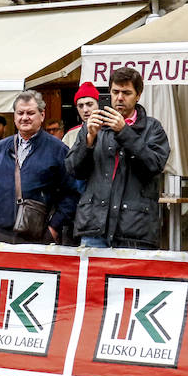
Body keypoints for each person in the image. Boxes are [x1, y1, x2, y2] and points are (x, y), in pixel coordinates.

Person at [66, 67, 170, 249]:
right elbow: (73, 170)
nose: (119, 97)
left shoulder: (153, 128)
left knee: (132, 278)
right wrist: (89, 140)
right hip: (94, 227)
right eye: (115, 92)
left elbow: (153, 166)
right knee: (91, 278)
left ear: (138, 95)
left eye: (126, 92)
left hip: (135, 229)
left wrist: (124, 131)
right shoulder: (93, 125)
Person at [0, 90, 78, 245]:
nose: (24, 118)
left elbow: (72, 193)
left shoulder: (58, 150)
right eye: (20, 113)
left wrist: (54, 228)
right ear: (14, 116)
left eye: (30, 113)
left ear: (42, 115)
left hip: (38, 238)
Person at [62, 82, 99, 149]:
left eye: (89, 104)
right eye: (80, 106)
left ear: (98, 105)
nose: (85, 110)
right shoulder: (70, 135)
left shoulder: (111, 129)